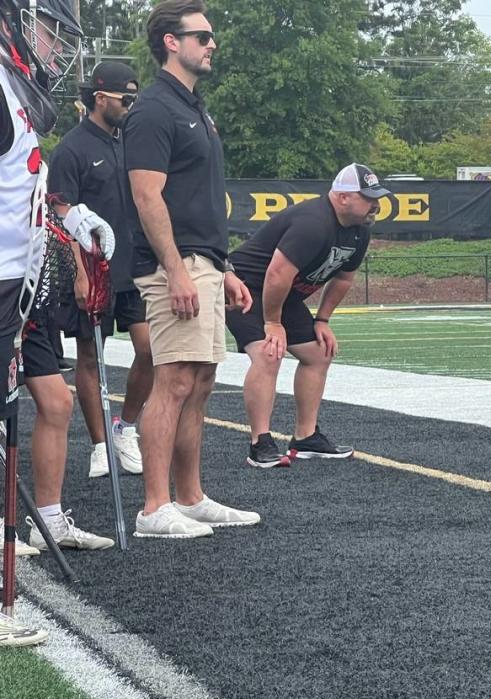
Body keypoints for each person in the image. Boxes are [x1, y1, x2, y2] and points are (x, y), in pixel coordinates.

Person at [124, 0, 258, 539]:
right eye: (202, 35)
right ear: (170, 42)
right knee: (174, 380)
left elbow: (196, 197)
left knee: (200, 381)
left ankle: (190, 496)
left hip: (203, 260)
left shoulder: (194, 107)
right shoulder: (155, 108)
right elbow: (146, 195)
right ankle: (154, 507)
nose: (212, 43)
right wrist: (176, 269)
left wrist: (220, 267)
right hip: (173, 265)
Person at [0, 0, 112, 646]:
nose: (57, 48)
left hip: (15, 292)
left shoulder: (17, 94)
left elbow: (22, 192)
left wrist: (67, 222)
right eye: (49, 31)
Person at [227, 163, 391, 467]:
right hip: (245, 288)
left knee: (318, 353)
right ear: (343, 197)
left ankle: (305, 437)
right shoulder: (313, 222)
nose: (376, 205)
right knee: (269, 353)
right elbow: (276, 274)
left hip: (281, 294)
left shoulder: (359, 232)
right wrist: (273, 323)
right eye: (368, 198)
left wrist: (322, 320)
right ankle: (260, 443)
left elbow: (343, 278)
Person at [49, 61, 152, 480]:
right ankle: (98, 445)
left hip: (136, 268)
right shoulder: (71, 149)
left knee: (151, 350)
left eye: (134, 98)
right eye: (125, 98)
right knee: (91, 357)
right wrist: (78, 271)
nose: (130, 105)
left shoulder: (132, 142)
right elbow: (60, 211)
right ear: (100, 97)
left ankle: (125, 427)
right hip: (92, 270)